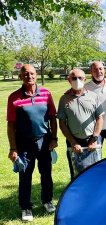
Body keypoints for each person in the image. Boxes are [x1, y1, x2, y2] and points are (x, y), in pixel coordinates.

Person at [7, 64, 58, 222]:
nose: (29, 76)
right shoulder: (14, 97)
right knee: (25, 176)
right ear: (20, 76)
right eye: (25, 74)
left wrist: (54, 138)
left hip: (44, 141)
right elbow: (11, 125)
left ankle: (47, 200)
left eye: (32, 73)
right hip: (23, 143)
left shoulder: (46, 93)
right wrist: (13, 147)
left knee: (46, 173)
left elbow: (52, 118)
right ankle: (26, 207)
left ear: (36, 75)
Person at [57, 68, 104, 179]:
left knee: (95, 171)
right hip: (75, 141)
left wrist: (94, 139)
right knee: (77, 174)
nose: (77, 80)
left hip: (92, 140)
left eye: (80, 78)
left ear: (85, 79)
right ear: (69, 80)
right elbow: (62, 123)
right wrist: (73, 142)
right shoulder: (64, 99)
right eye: (74, 78)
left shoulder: (93, 96)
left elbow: (99, 118)